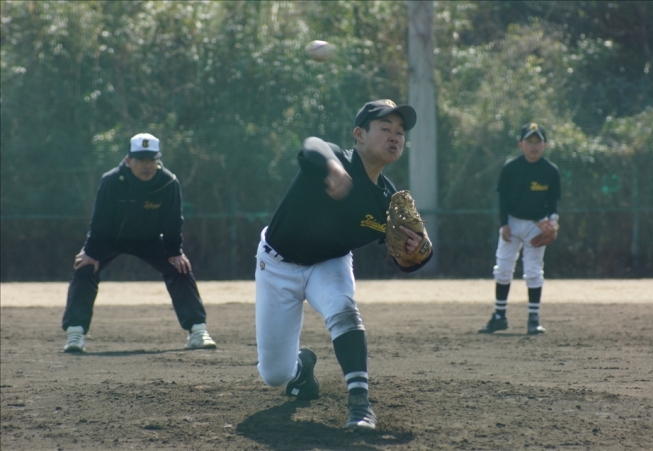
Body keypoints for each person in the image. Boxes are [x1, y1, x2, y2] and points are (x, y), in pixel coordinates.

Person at [254, 99, 433, 430]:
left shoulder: (387, 202)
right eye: (385, 128)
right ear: (359, 135)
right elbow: (311, 145)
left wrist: (420, 251)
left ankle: (360, 404)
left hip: (329, 263)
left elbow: (406, 263)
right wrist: (332, 168)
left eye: (400, 132)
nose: (395, 136)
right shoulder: (334, 159)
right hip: (277, 265)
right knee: (274, 375)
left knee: (343, 309)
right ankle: (300, 371)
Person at [61, 133, 217, 352]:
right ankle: (75, 334)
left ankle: (198, 331)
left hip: (149, 240)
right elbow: (100, 221)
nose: (147, 166)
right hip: (110, 239)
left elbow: (173, 222)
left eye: (151, 160)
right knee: (84, 267)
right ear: (128, 160)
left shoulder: (168, 183)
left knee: (179, 267)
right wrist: (91, 253)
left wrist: (175, 251)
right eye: (141, 160)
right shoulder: (111, 181)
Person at [478, 123, 561, 335]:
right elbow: (503, 198)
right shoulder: (511, 168)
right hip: (512, 223)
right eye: (529, 141)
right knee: (503, 269)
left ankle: (534, 319)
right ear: (520, 144)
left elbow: (553, 202)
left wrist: (553, 221)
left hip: (537, 225)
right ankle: (499, 316)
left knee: (533, 271)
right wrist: (504, 223)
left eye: (538, 142)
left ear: (544, 145)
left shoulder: (551, 171)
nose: (533, 146)